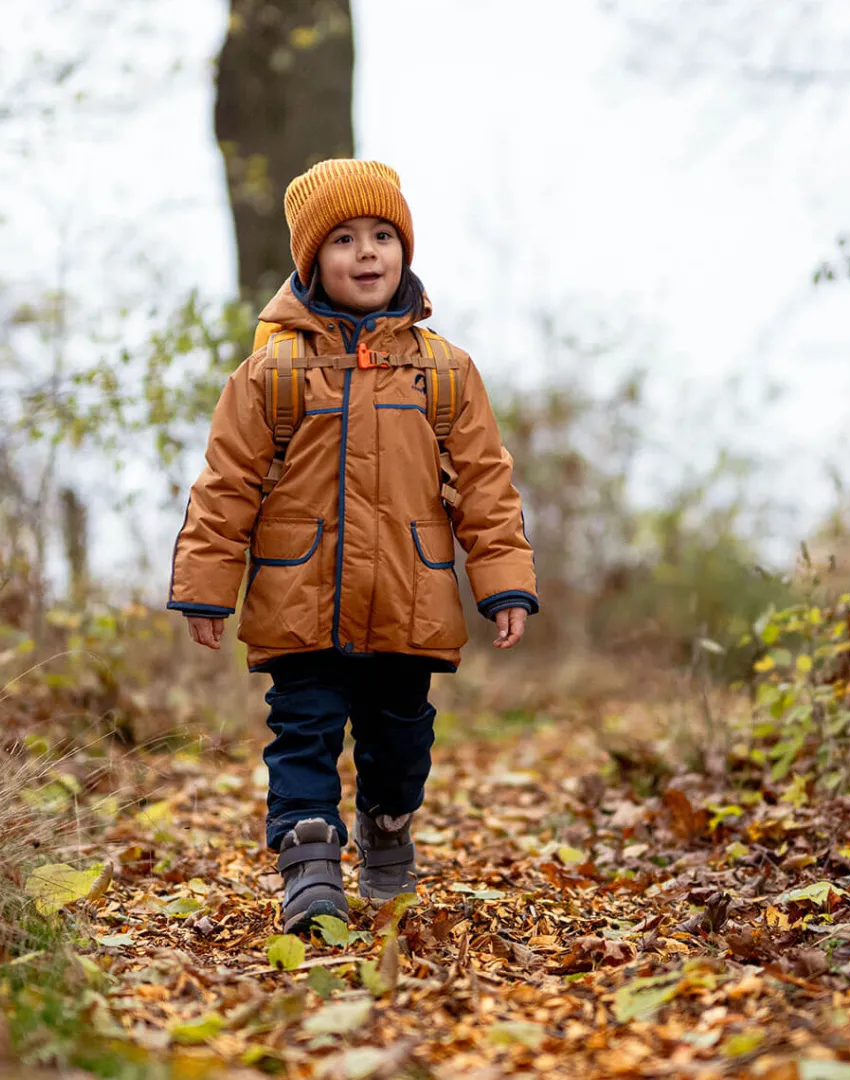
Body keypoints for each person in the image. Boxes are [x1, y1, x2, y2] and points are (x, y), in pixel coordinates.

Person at [168, 159, 537, 934]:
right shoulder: (271, 373)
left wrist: (503, 580)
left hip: (410, 596)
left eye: (381, 236)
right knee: (301, 733)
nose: (366, 253)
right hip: (301, 598)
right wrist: (207, 584)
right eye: (343, 240)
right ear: (311, 260)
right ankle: (309, 864)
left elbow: (485, 484)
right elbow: (226, 483)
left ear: (403, 251)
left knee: (400, 739)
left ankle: (388, 823)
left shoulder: (445, 372)